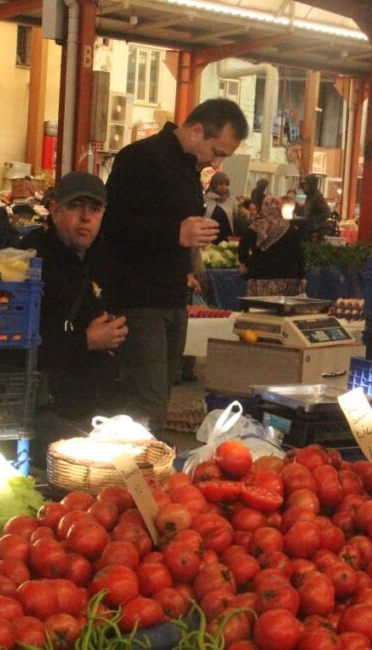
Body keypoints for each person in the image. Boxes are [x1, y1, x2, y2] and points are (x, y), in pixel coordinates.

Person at [101, 98, 248, 433]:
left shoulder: (189, 170)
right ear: (197, 130)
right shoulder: (141, 158)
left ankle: (144, 470)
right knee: (147, 399)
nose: (217, 161)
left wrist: (188, 260)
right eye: (217, 151)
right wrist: (176, 233)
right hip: (138, 299)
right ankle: (133, 475)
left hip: (173, 297)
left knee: (162, 394)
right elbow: (112, 225)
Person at [20, 172, 126, 439]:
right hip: (46, 413)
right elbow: (14, 346)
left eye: (95, 208)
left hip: (98, 408)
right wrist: (85, 340)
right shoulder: (29, 260)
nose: (86, 217)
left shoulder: (103, 257)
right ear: (54, 210)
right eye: (75, 206)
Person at [238, 195, 306, 296]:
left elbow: (242, 247)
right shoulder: (290, 229)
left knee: (259, 310)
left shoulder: (255, 227)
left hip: (259, 277)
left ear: (263, 208)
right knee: (282, 310)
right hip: (287, 280)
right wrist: (302, 276)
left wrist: (247, 263)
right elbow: (298, 254)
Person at [204, 171, 242, 243]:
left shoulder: (231, 200)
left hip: (225, 237)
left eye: (226, 184)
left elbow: (236, 216)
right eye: (221, 184)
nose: (224, 187)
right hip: (207, 236)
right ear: (214, 184)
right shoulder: (205, 199)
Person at [297, 174, 331, 242]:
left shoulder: (317, 197)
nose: (305, 186)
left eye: (307, 184)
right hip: (307, 227)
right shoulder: (308, 196)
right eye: (304, 184)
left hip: (314, 230)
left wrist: (314, 221)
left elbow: (327, 212)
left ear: (312, 185)